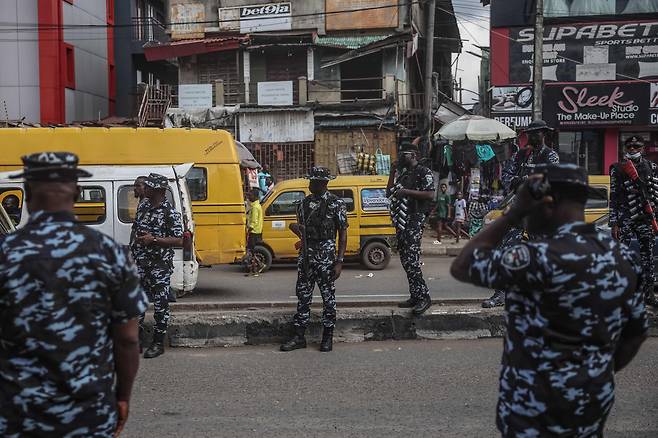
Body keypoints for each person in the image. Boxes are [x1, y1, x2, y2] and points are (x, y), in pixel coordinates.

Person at [451, 164, 648, 437]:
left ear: (547, 203)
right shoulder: (623, 257)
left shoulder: (536, 257)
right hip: (591, 407)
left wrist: (513, 214)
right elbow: (636, 333)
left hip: (534, 414)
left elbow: (463, 265)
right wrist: (593, 372)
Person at [0, 152, 148, 436]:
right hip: (89, 417)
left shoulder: (6, 253)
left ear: (27, 193)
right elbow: (128, 339)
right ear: (78, 192)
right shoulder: (110, 254)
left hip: (16, 417)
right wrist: (122, 398)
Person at [482, 119, 559, 308]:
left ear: (543, 134)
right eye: (530, 133)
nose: (532, 136)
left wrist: (523, 180)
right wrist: (522, 180)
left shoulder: (551, 156)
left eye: (536, 133)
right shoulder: (520, 155)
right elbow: (507, 177)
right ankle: (501, 294)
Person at [280, 167, 348, 353]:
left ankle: (327, 337)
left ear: (324, 183)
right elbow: (302, 231)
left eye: (314, 181)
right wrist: (297, 229)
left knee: (328, 298)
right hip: (306, 259)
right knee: (303, 297)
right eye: (310, 181)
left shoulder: (336, 204)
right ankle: (299, 336)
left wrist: (340, 261)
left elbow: (342, 233)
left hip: (326, 259)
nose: (310, 184)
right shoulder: (303, 204)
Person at [132, 173, 184, 359]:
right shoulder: (144, 206)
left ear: (158, 190)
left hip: (159, 266)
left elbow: (178, 239)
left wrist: (153, 239)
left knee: (160, 306)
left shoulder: (170, 213)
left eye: (148, 187)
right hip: (141, 263)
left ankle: (158, 343)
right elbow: (136, 228)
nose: (144, 188)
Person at [610, 136, 658, 307]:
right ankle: (619, 295)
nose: (632, 149)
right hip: (625, 218)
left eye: (636, 147)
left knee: (648, 258)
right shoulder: (618, 168)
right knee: (620, 257)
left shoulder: (652, 167)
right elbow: (614, 196)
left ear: (642, 148)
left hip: (645, 219)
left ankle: (648, 295)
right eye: (629, 146)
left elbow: (654, 197)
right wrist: (614, 222)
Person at [387, 142, 435, 315]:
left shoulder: (424, 172)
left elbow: (430, 194)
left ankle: (424, 297)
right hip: (402, 221)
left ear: (413, 155)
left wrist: (407, 192)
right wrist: (392, 172)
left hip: (415, 219)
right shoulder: (404, 173)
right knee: (406, 260)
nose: (400, 157)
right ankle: (415, 295)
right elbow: (389, 192)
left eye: (403, 154)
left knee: (412, 260)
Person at [246, 188, 264, 276]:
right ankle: (253, 270)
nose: (248, 196)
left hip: (254, 232)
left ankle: (257, 268)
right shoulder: (257, 206)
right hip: (257, 232)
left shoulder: (255, 208)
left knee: (252, 252)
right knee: (252, 252)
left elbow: (254, 222)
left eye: (250, 195)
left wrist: (248, 230)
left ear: (255, 197)